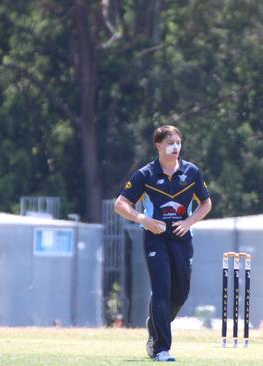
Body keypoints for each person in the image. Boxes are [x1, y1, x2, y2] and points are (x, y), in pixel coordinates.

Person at [114, 125, 212, 362]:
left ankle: (155, 325)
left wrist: (188, 222)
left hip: (182, 239)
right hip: (155, 239)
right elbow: (120, 204)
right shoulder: (145, 175)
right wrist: (142, 219)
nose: (175, 147)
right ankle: (161, 348)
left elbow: (206, 204)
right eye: (170, 143)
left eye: (178, 142)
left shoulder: (191, 172)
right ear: (158, 146)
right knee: (161, 290)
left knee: (180, 293)